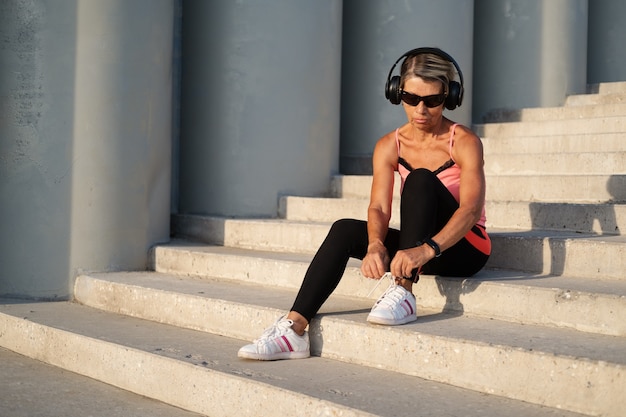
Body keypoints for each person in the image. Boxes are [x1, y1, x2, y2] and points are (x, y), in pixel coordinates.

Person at [238, 47, 491, 361]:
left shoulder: (463, 141)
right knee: (345, 230)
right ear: (397, 93)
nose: (421, 111)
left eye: (433, 101)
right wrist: (374, 244)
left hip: (463, 249)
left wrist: (425, 250)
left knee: (420, 179)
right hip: (418, 250)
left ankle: (403, 292)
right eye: (411, 99)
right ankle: (294, 329)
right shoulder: (389, 145)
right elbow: (379, 208)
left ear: (450, 97)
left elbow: (469, 210)